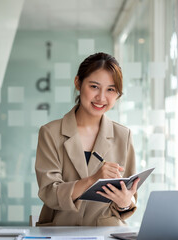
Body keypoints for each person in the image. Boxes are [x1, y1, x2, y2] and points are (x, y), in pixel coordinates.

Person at [35, 52, 139, 226]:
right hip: (61, 229)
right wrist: (93, 180)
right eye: (94, 87)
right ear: (78, 83)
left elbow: (129, 198)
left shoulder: (123, 135)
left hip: (106, 231)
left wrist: (125, 203)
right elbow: (49, 193)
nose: (101, 97)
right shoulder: (50, 133)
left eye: (111, 89)